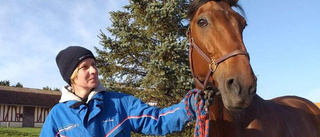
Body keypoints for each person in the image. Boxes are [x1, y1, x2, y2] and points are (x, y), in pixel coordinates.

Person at [40, 46, 210, 137]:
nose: (93, 70)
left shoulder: (120, 104)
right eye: (85, 67)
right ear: (72, 76)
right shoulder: (58, 115)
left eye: (94, 64)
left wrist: (188, 107)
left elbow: (158, 120)